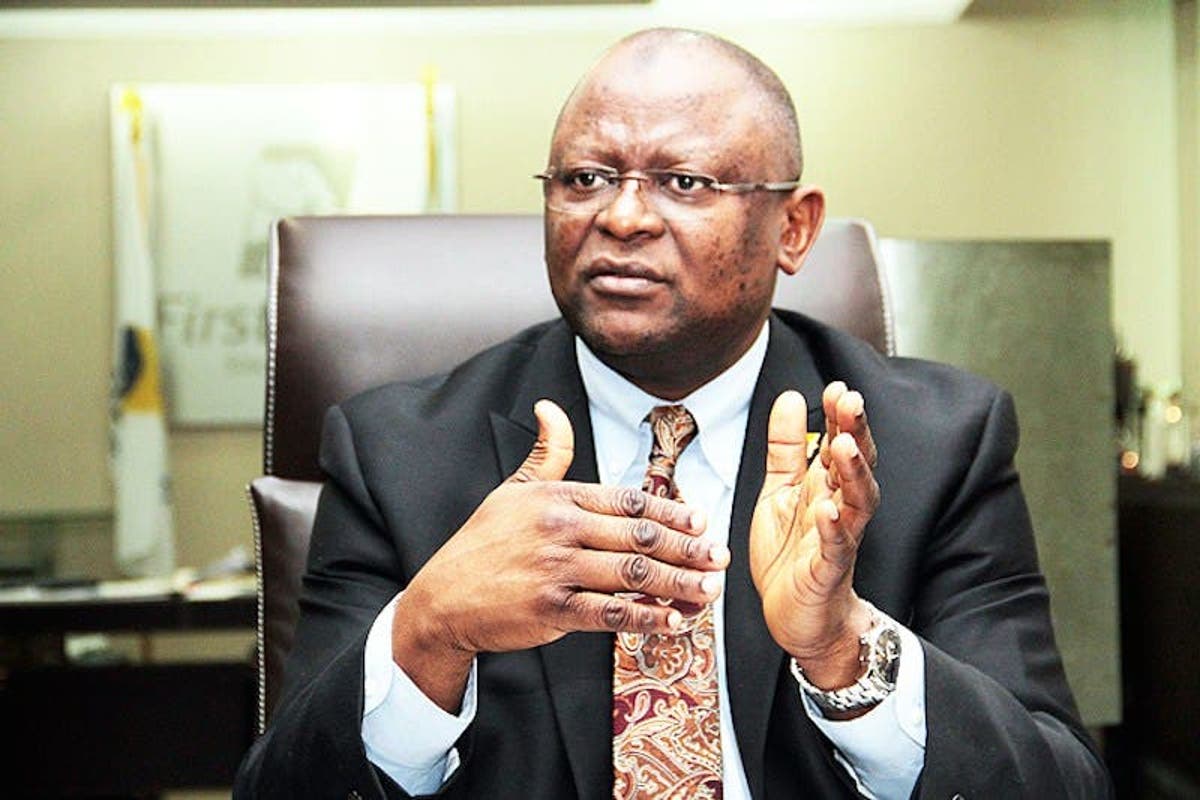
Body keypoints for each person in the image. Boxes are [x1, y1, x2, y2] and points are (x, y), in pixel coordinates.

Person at [235, 28, 1111, 799]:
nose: (621, 217)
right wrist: (429, 634)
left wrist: (846, 650)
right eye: (585, 177)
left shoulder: (935, 445)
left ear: (794, 228)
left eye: (683, 182)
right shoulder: (400, 455)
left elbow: (1061, 784)